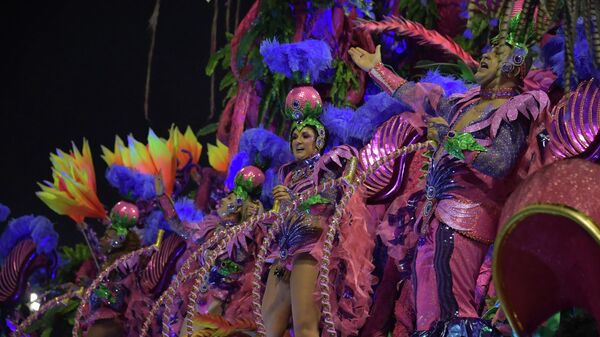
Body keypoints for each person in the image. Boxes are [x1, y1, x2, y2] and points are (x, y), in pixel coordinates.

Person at [349, 27, 549, 335]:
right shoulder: (464, 104)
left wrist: (450, 138)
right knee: (428, 312)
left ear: (514, 65)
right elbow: (418, 96)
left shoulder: (516, 108)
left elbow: (499, 162)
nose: (485, 56)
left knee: (453, 306)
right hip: (433, 216)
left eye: (496, 53)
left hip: (467, 217)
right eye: (487, 50)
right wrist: (377, 70)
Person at [261, 86, 375, 337]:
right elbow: (278, 216)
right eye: (295, 137)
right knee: (267, 329)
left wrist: (294, 200)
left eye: (306, 136)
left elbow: (331, 197)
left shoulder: (330, 163)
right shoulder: (287, 172)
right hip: (282, 250)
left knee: (304, 327)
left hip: (309, 246)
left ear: (319, 140)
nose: (298, 141)